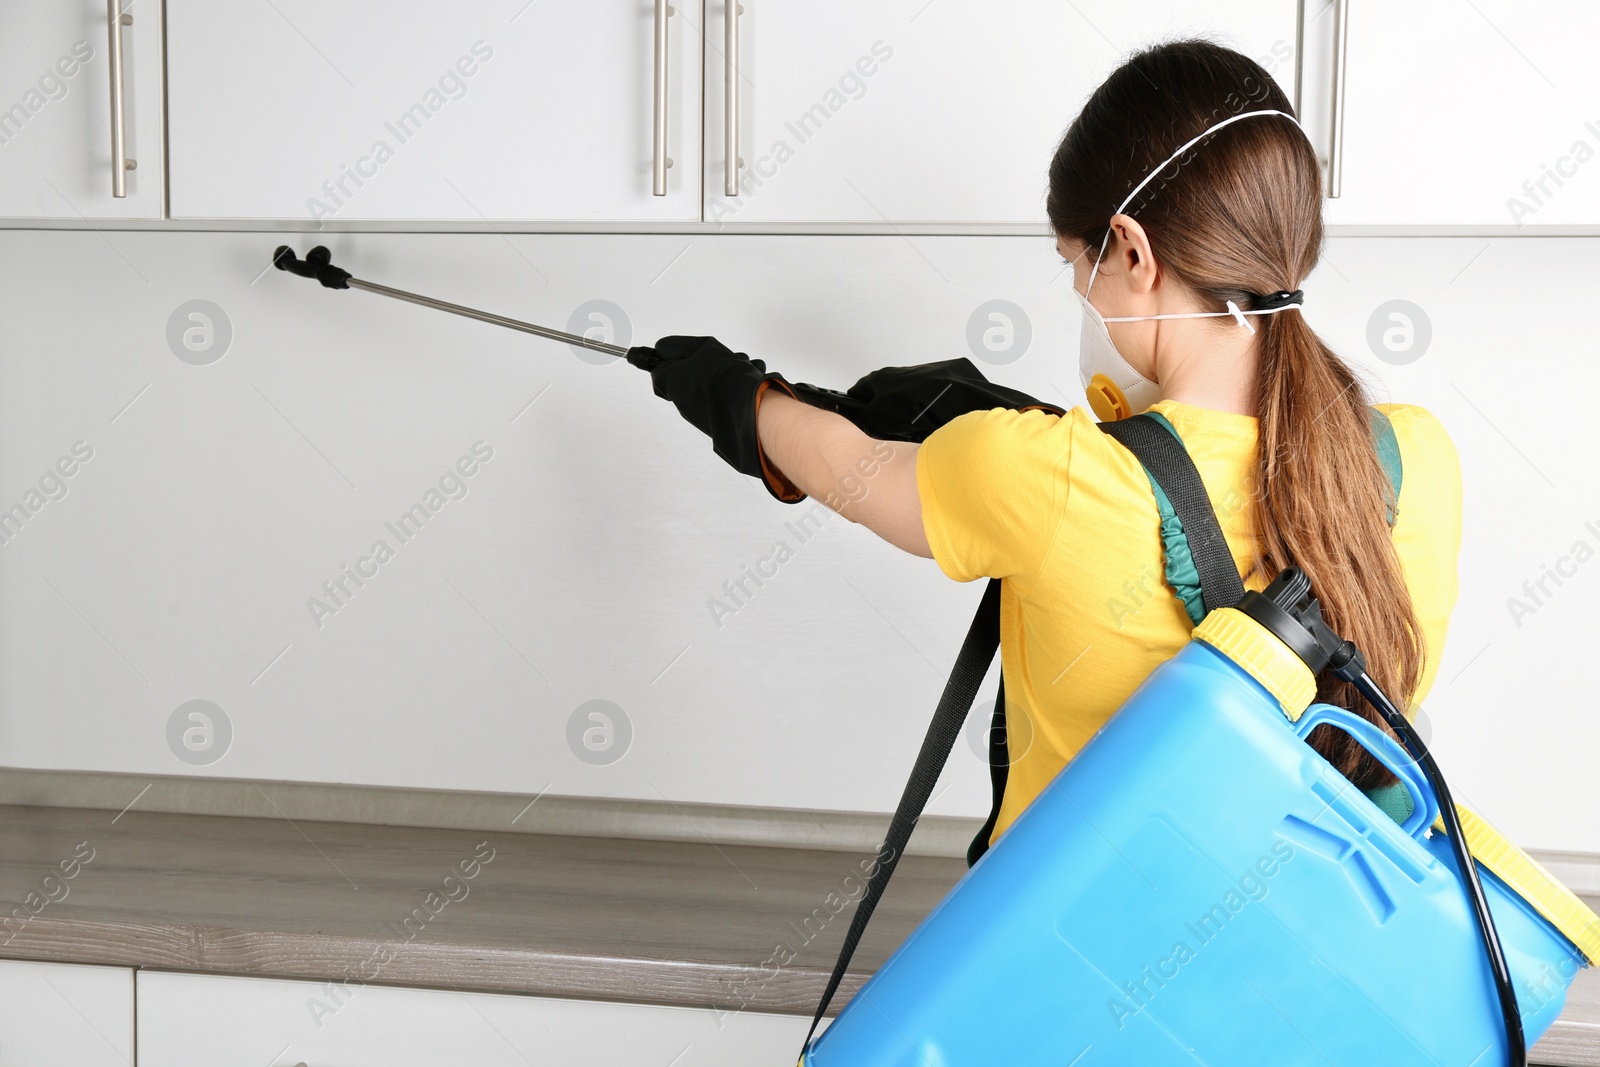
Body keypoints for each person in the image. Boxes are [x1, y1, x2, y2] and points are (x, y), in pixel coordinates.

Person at [626, 39, 1462, 858]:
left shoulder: (1043, 475)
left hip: (1074, 977)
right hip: (1304, 972)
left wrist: (738, 393)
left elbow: (845, 466)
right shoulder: (1417, 459)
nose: (1076, 291)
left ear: (1133, 252)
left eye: (1075, 260)